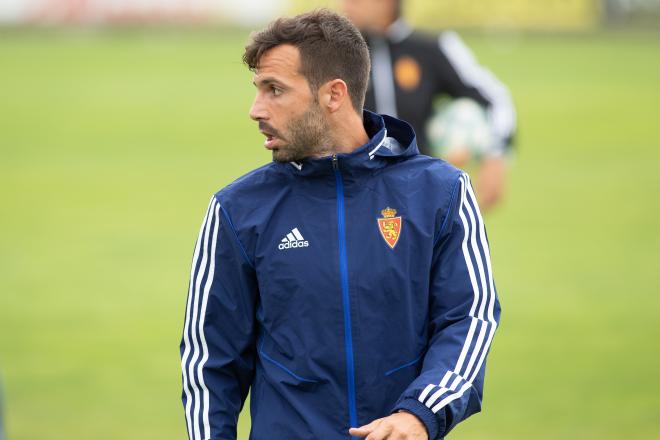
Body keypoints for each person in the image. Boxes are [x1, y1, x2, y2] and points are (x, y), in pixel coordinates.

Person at [180, 9, 500, 440]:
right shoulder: (237, 210)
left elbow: (470, 318)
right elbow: (208, 365)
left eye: (274, 90)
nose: (255, 110)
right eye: (258, 89)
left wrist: (419, 413)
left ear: (334, 94)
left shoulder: (441, 193)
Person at [342, 0, 517, 211]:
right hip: (355, 196)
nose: (349, 2)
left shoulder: (432, 47)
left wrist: (495, 156)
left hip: (420, 198)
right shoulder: (334, 55)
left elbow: (495, 99)